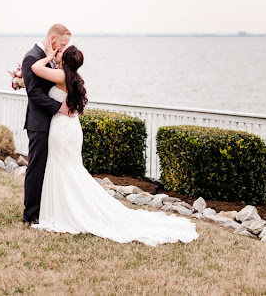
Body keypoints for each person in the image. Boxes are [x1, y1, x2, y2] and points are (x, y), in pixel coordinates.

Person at [29, 40, 198, 246]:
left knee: (64, 168)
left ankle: (67, 211)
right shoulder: (75, 77)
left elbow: (35, 68)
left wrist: (47, 55)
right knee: (69, 169)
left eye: (61, 51)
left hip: (62, 129)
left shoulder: (62, 74)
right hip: (70, 129)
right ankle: (66, 207)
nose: (58, 51)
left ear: (64, 60)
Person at [21, 24, 72, 225]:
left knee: (49, 167)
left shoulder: (48, 58)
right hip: (39, 122)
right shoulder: (32, 57)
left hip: (53, 123)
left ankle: (46, 208)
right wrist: (58, 107)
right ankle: (31, 215)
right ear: (52, 39)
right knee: (36, 167)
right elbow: (33, 93)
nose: (64, 48)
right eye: (63, 43)